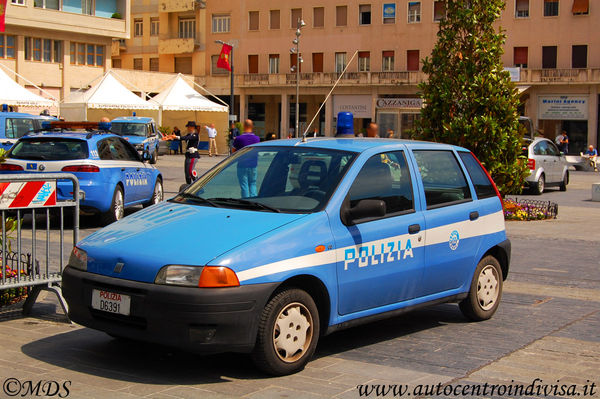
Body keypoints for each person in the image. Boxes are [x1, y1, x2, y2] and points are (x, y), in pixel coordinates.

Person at [232, 119, 260, 198]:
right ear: (252, 126)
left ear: (244, 126)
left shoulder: (239, 139)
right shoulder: (257, 139)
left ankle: (246, 200)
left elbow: (233, 151)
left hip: (242, 164)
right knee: (253, 183)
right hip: (253, 164)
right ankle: (253, 199)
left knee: (244, 185)